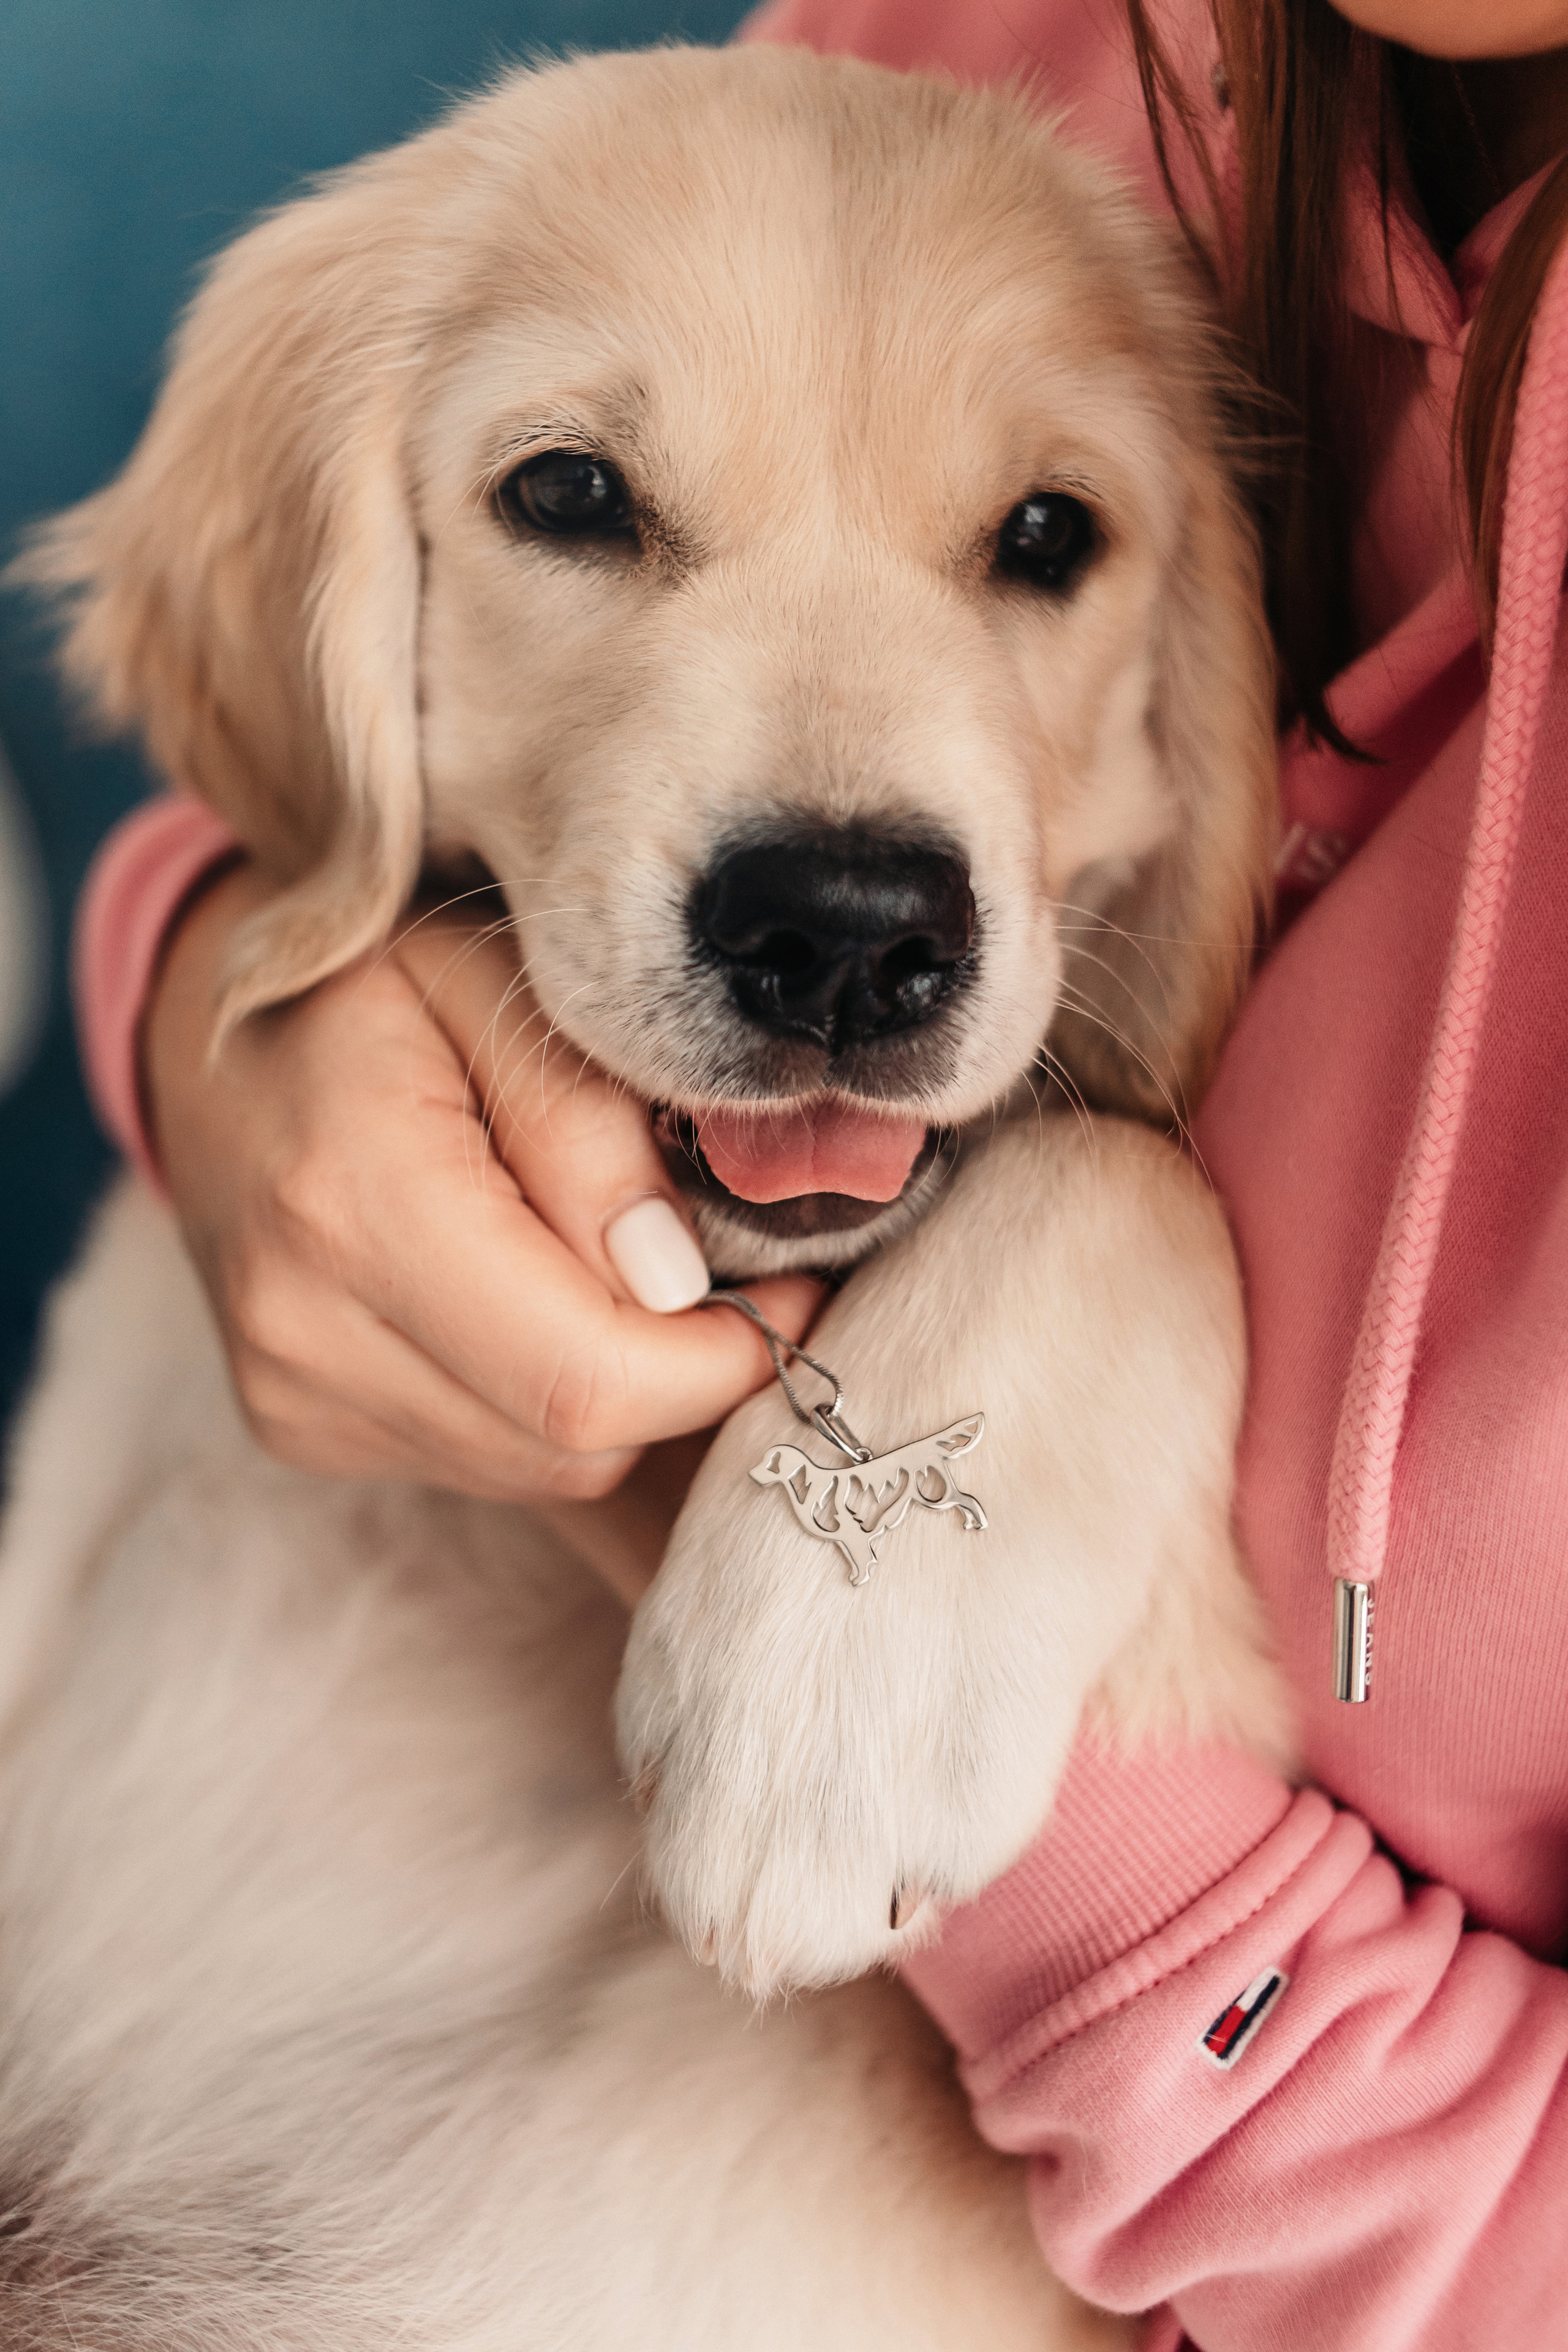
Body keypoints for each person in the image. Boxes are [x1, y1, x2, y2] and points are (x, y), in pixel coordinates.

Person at [67, 0, 1568, 2340]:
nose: (853, 861)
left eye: (1039, 535)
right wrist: (234, 1008)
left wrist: (1106, 1874)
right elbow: (268, 797)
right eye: (581, 495)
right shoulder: (994, 45)